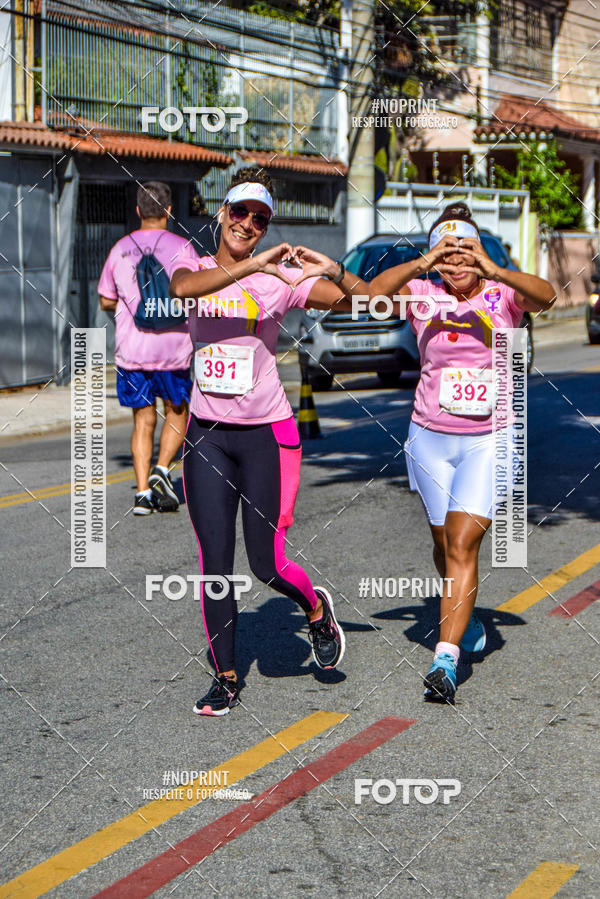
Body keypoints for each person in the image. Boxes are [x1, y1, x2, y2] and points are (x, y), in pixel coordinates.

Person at [169, 167, 370, 716]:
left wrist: (335, 270)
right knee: (215, 562)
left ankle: (313, 607)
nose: (249, 225)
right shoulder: (196, 266)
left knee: (266, 565)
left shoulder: (281, 279)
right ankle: (226, 677)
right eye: (241, 213)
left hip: (266, 435)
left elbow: (356, 302)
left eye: (260, 219)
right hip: (208, 437)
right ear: (222, 212)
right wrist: (254, 266)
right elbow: (181, 290)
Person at [370, 202, 555, 703]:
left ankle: (444, 661)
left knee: (461, 541)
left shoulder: (501, 294)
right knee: (443, 543)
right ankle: (463, 614)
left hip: (490, 438)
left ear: (478, 253)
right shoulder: (422, 293)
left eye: (464, 253)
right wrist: (421, 262)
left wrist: (492, 267)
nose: (456, 264)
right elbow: (370, 295)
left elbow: (549, 297)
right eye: (447, 254)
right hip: (429, 437)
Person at [98, 181, 200, 515]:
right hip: (174, 350)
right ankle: (163, 468)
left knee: (142, 420)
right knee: (177, 411)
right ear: (169, 211)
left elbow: (105, 299)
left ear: (139, 210)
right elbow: (195, 292)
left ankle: (142, 493)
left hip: (133, 352)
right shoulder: (184, 248)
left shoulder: (119, 249)